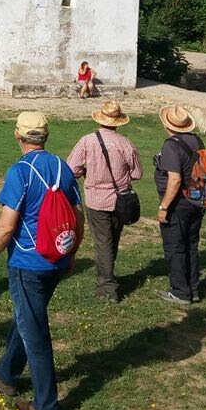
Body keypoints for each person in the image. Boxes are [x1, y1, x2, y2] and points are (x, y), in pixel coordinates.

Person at [0, 112, 84, 410]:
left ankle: (47, 406)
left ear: (18, 136)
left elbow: (6, 227)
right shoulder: (63, 167)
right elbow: (78, 217)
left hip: (27, 262)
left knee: (35, 331)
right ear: (45, 136)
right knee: (28, 318)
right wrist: (72, 251)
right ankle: (6, 374)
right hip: (56, 258)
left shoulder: (19, 172)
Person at [67, 100, 142, 303]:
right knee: (112, 241)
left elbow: (71, 170)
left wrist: (87, 172)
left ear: (100, 119)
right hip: (121, 200)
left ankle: (108, 287)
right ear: (118, 122)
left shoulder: (87, 141)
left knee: (102, 244)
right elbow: (137, 173)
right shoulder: (126, 143)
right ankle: (107, 279)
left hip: (97, 200)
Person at [155, 104, 205, 305]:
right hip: (197, 200)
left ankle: (180, 292)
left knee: (175, 248)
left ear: (167, 124)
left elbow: (174, 179)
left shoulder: (171, 145)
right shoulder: (197, 141)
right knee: (191, 246)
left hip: (179, 204)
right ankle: (193, 289)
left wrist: (164, 206)